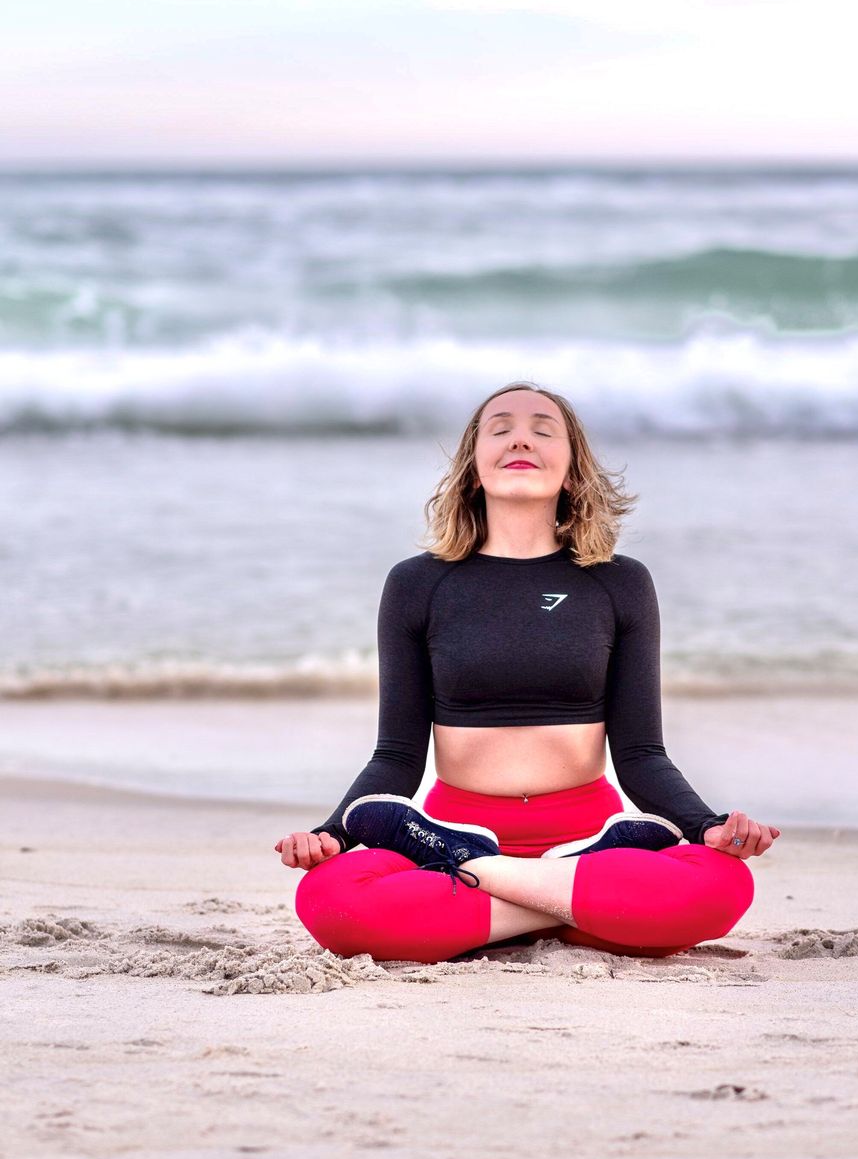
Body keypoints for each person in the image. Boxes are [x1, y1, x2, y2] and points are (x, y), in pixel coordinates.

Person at [276, 381, 779, 963]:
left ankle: (476, 883)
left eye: (544, 430)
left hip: (587, 836)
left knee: (724, 885)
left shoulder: (618, 583)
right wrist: (334, 833)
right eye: (501, 429)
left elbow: (641, 754)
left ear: (571, 471)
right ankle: (562, 903)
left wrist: (706, 826)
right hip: (449, 826)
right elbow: (397, 756)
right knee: (328, 898)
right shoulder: (418, 584)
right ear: (473, 467)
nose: (522, 438)